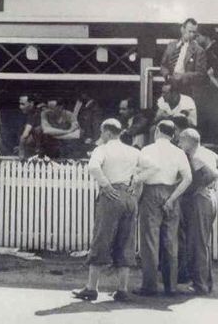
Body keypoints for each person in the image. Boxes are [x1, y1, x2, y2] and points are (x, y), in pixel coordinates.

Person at [73, 119, 139, 302]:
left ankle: (91, 288)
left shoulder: (102, 149)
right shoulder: (133, 151)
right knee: (126, 241)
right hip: (129, 196)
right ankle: (122, 289)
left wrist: (106, 186)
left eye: (102, 133)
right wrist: (136, 182)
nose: (101, 136)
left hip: (112, 197)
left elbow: (93, 167)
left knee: (101, 239)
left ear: (107, 132)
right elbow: (151, 167)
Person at [129, 120, 192, 296]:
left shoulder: (147, 150)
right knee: (170, 241)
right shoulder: (179, 152)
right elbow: (188, 178)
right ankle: (170, 286)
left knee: (150, 241)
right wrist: (172, 198)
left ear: (157, 131)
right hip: (171, 192)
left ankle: (149, 286)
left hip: (151, 193)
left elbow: (139, 176)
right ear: (173, 135)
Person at [177, 128, 218, 295]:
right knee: (202, 242)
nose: (179, 144)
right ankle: (204, 282)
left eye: (181, 140)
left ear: (189, 140)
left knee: (197, 243)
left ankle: (201, 285)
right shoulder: (209, 153)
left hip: (200, 200)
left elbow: (212, 175)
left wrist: (199, 188)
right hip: (209, 198)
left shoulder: (196, 156)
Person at [160, 18, 207, 97]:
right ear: (182, 29)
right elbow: (163, 65)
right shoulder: (171, 45)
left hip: (187, 90)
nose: (192, 35)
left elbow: (201, 74)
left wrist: (182, 76)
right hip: (169, 87)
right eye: (189, 31)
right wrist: (167, 75)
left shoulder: (199, 51)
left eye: (194, 32)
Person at [17, 94, 41, 158]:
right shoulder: (34, 111)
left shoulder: (36, 113)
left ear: (31, 103)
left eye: (23, 104)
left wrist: (21, 151)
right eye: (20, 104)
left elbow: (25, 135)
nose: (20, 107)